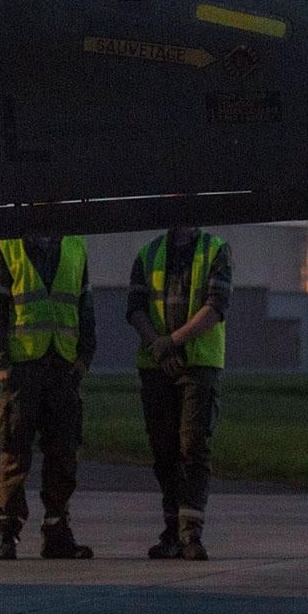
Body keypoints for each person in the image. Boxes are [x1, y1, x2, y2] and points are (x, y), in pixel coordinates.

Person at [129, 223, 232, 561]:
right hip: (158, 365)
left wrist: (169, 344)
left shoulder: (216, 249)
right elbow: (136, 308)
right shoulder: (149, 253)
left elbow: (215, 308)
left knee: (193, 445)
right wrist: (160, 348)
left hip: (197, 364)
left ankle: (191, 534)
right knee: (164, 449)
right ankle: (173, 530)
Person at [0, 231, 95, 560]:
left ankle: (57, 531)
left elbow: (84, 303)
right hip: (25, 366)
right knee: (15, 449)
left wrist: (84, 357)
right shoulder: (9, 245)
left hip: (62, 364)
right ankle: (7, 533)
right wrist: (2, 361)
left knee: (63, 451)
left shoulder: (76, 245)